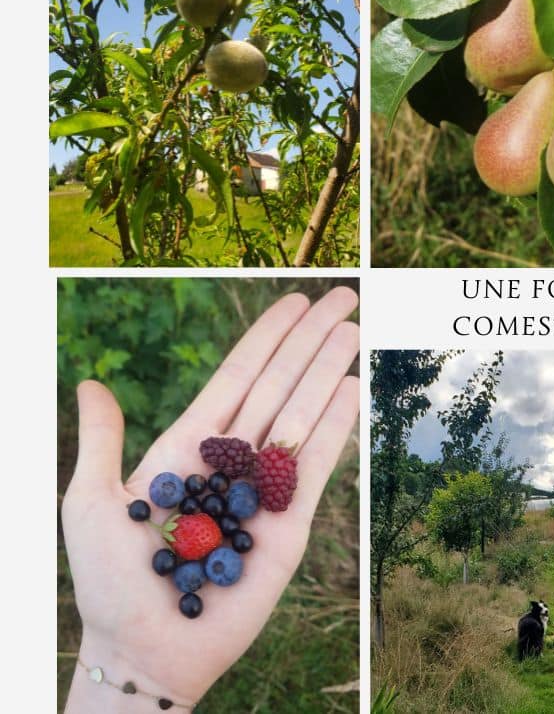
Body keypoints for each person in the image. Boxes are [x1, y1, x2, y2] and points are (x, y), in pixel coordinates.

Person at [62, 288, 360, 712]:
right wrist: (125, 660)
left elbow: (219, 521)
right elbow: (209, 532)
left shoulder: (210, 519)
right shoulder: (196, 534)